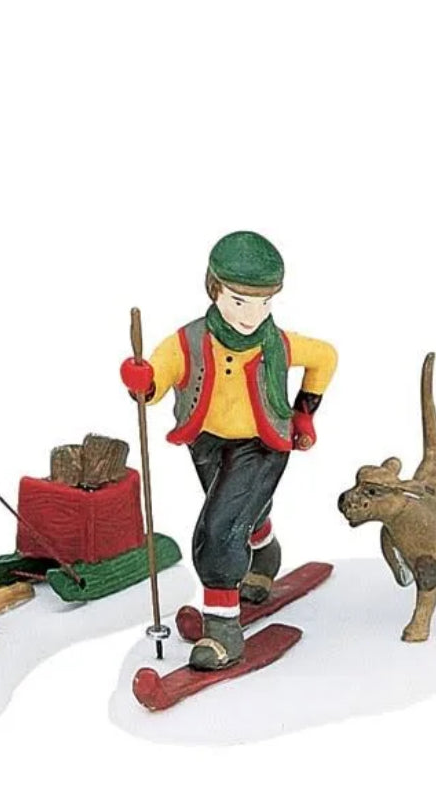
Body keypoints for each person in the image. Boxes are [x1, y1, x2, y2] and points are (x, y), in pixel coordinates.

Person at [120, 230, 336, 670]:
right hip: (207, 442)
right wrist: (144, 381)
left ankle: (223, 631)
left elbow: (325, 357)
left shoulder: (279, 344)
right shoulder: (189, 341)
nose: (252, 315)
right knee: (238, 514)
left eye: (264, 303)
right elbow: (159, 374)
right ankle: (264, 551)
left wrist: (304, 413)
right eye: (239, 301)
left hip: (263, 444)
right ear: (214, 289)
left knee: (217, 532)